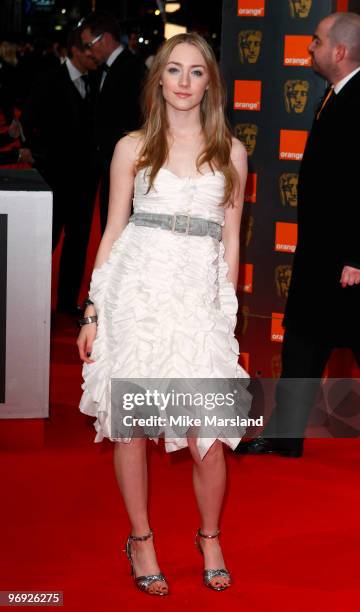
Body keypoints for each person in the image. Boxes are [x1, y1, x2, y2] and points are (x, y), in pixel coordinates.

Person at [77, 32, 251, 595]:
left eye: (195, 72)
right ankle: (142, 537)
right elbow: (113, 232)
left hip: (197, 302)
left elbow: (231, 241)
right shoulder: (133, 148)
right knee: (130, 427)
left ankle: (209, 535)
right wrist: (93, 310)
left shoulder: (232, 154)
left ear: (210, 84)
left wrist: (224, 313)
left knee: (210, 435)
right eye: (172, 70)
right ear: (158, 80)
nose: (183, 82)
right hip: (137, 296)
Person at [235, 12, 360, 459]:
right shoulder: (335, 95)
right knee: (303, 341)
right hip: (322, 255)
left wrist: (358, 256)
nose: (309, 48)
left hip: (348, 262)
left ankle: (286, 435)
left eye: (316, 41)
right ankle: (286, 436)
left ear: (340, 52)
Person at [20, 28, 99, 315]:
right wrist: (42, 157)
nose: (94, 55)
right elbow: (28, 120)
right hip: (54, 180)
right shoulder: (49, 79)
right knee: (47, 242)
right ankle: (32, 304)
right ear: (74, 51)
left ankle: (66, 305)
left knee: (78, 245)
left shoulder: (94, 80)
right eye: (89, 49)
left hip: (85, 181)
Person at [79, 12, 146, 231]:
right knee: (109, 224)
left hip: (127, 167)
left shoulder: (134, 68)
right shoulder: (100, 71)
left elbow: (140, 119)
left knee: (120, 230)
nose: (88, 52)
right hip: (106, 165)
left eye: (90, 44)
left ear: (106, 38)